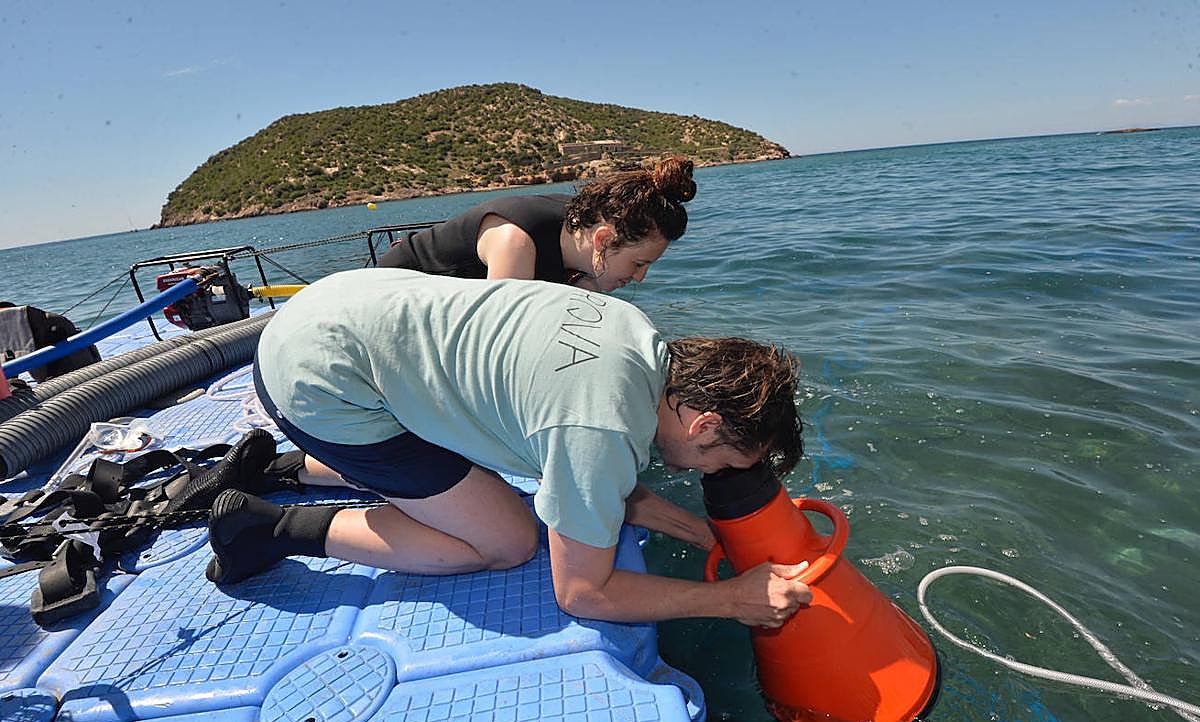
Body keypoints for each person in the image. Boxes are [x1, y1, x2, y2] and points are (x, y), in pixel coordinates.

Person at [206, 267, 811, 627]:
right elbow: (583, 594)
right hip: (316, 386)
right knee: (507, 540)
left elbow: (593, 468)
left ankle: (283, 467)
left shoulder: (634, 331)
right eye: (719, 464)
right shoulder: (599, 432)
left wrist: (697, 531)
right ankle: (270, 525)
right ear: (703, 425)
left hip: (330, 308)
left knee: (470, 465)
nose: (709, 474)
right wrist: (730, 600)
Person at [376, 156, 696, 293]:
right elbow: (502, 344)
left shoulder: (581, 227)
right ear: (602, 240)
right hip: (398, 287)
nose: (641, 277)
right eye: (639, 263)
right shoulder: (514, 243)